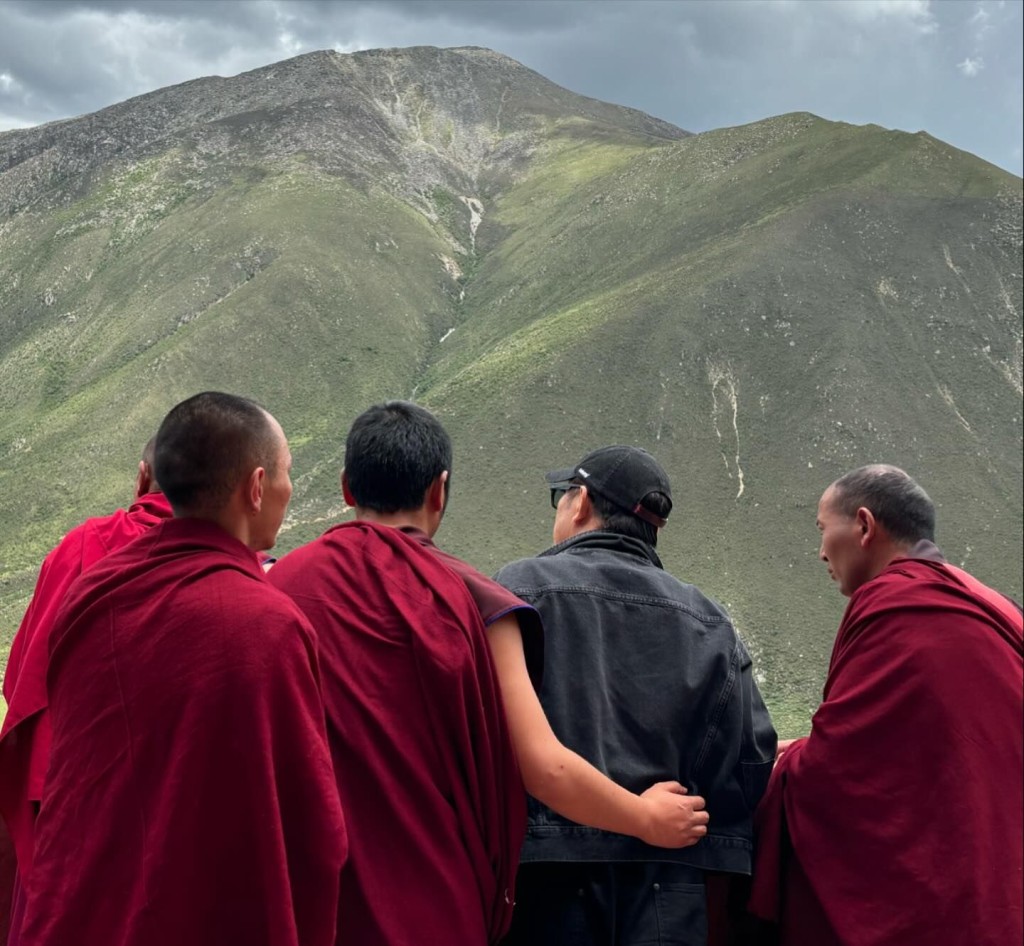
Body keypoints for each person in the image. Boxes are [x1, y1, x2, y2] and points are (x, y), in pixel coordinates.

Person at [267, 401, 709, 946]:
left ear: (346, 488)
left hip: (315, 894)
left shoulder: (279, 590)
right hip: (435, 899)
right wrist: (645, 818)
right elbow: (543, 766)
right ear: (440, 491)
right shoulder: (475, 601)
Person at [16, 393, 347, 946]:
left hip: (84, 901)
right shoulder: (268, 623)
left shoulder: (94, 592)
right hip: (202, 908)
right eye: (288, 474)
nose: (290, 491)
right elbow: (312, 824)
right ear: (258, 486)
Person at [494, 445, 777, 946]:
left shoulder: (518, 591)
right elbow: (753, 758)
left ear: (579, 503)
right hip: (669, 883)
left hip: (544, 879)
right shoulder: (710, 621)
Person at [748, 464, 1023, 946]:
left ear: (863, 525)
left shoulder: (889, 603)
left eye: (822, 529)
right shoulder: (995, 605)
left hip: (940, 898)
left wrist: (782, 763)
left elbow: (838, 774)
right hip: (1000, 871)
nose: (819, 552)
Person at [0, 440, 172, 941]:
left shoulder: (82, 546)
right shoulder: (249, 577)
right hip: (174, 803)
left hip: (67, 792)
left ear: (143, 478)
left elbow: (22, 680)